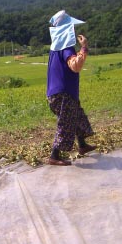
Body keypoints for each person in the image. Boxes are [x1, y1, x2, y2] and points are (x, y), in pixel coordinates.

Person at [46, 10, 96, 166]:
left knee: (77, 117)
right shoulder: (66, 48)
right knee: (66, 123)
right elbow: (75, 66)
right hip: (64, 94)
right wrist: (84, 48)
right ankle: (54, 155)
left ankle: (82, 145)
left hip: (58, 93)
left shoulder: (55, 48)